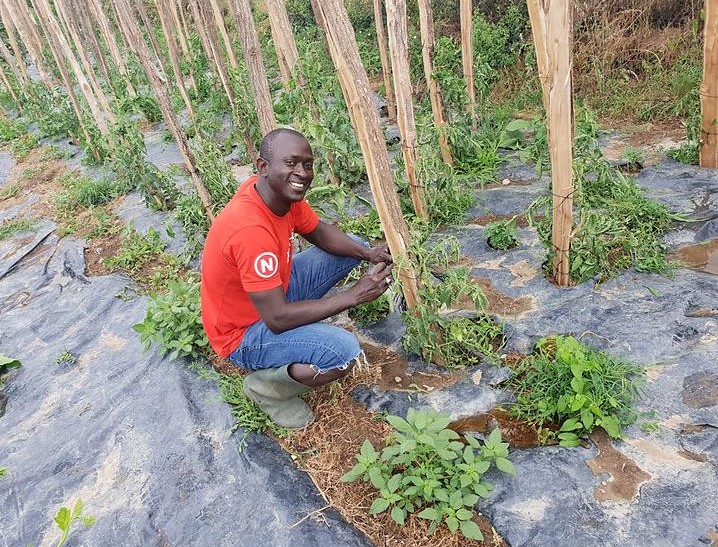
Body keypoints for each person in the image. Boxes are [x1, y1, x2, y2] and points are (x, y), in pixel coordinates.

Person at [200, 128, 393, 429]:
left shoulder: (277, 194)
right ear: (263, 167)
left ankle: (300, 335)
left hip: (272, 295)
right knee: (343, 353)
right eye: (291, 163)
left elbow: (317, 231)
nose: (302, 173)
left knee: (350, 246)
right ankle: (267, 388)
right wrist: (354, 295)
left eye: (307, 164)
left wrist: (368, 253)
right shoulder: (249, 231)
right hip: (243, 333)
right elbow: (277, 318)